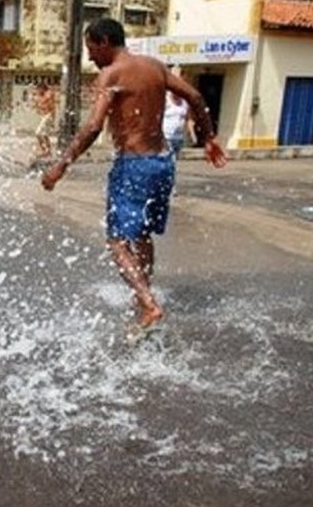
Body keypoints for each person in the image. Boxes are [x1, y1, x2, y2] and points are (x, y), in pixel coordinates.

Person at [41, 18, 227, 342]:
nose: (89, 57)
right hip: (162, 163)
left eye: (90, 49)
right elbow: (196, 97)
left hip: (134, 166)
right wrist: (209, 137)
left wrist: (61, 165)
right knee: (142, 236)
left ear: (104, 41)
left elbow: (94, 127)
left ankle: (148, 304)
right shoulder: (155, 67)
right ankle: (143, 296)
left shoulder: (111, 75)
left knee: (117, 241)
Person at [163, 89, 194, 157]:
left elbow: (188, 118)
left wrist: (192, 134)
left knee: (174, 159)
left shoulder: (185, 103)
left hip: (178, 137)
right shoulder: (165, 100)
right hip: (166, 136)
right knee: (169, 158)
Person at [33, 82, 57, 158]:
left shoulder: (48, 95)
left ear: (42, 89)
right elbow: (39, 106)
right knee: (44, 134)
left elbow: (47, 102)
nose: (38, 91)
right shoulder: (43, 95)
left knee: (38, 133)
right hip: (46, 116)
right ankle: (47, 151)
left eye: (39, 89)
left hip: (48, 115)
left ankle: (45, 150)